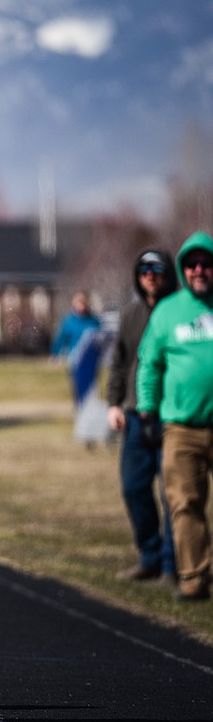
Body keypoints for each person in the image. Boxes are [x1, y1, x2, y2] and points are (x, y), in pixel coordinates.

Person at [137, 231, 213, 602]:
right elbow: (149, 364)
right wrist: (147, 408)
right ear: (184, 270)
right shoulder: (168, 312)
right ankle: (195, 577)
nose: (199, 269)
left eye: (206, 263)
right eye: (192, 264)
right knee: (184, 503)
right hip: (182, 427)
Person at [106, 249, 178, 585]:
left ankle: (172, 565)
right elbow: (118, 362)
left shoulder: (180, 313)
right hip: (135, 415)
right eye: (144, 269)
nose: (151, 274)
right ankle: (149, 556)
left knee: (173, 493)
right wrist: (114, 403)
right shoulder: (131, 313)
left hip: (172, 414)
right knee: (134, 488)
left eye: (157, 269)